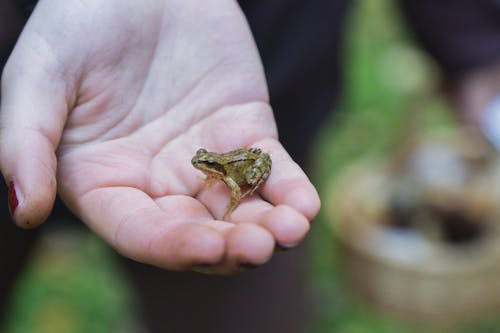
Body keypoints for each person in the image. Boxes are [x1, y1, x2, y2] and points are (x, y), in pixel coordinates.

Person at [1, 0, 499, 332]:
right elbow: (212, 173)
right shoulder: (209, 169)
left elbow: (232, 179)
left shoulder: (219, 165)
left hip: (267, 64)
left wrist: (471, 42)